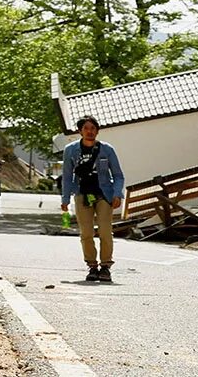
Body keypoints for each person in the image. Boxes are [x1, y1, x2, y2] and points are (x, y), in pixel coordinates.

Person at [59, 115, 126, 282]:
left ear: (97, 131)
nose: (90, 132)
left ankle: (105, 266)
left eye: (93, 129)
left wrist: (118, 193)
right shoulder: (71, 150)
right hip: (82, 194)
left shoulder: (107, 149)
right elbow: (67, 176)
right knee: (86, 233)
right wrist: (65, 198)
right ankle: (92, 266)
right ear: (80, 131)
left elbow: (118, 175)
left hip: (104, 194)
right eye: (86, 129)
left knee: (104, 231)